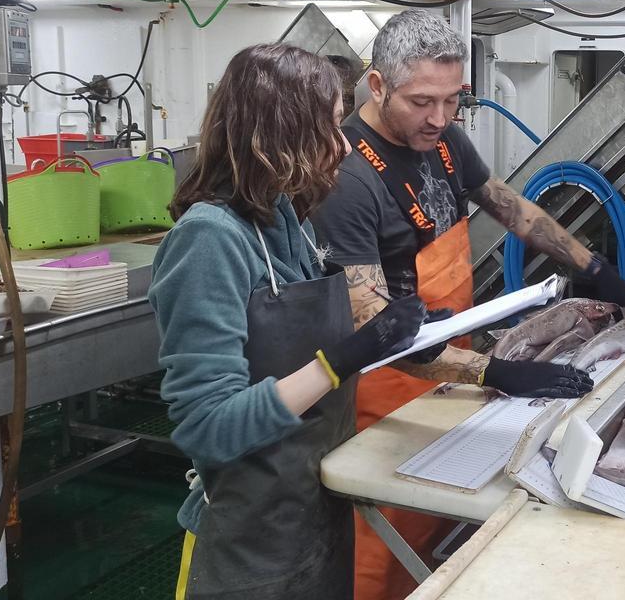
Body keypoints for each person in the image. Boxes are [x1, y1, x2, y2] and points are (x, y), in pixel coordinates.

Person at [312, 9, 625, 600]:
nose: (440, 118)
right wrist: (495, 371)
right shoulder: (347, 177)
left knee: (445, 540)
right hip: (384, 401)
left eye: (453, 101)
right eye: (423, 102)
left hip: (448, 379)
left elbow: (509, 206)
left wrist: (591, 267)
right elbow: (371, 324)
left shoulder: (445, 139)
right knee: (382, 553)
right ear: (376, 86)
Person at [149, 43, 429, 600]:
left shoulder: (286, 218)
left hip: (316, 510)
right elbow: (207, 425)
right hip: (250, 541)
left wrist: (402, 330)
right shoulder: (209, 240)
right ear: (276, 134)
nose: (342, 145)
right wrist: (343, 360)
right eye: (327, 128)